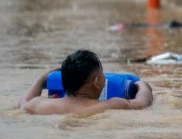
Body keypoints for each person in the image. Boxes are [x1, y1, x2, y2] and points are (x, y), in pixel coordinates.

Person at [19, 49, 153, 115]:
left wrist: (43, 78)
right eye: (102, 75)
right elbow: (142, 103)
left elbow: (23, 103)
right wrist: (142, 85)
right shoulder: (111, 105)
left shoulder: (40, 104)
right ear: (96, 82)